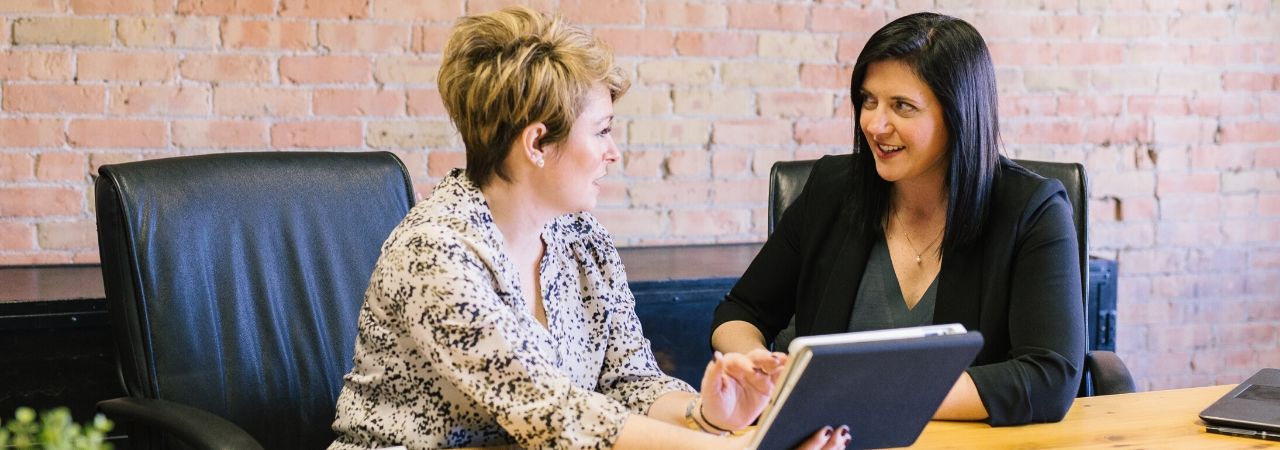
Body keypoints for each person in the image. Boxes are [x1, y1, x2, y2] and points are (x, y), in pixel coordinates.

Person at [329, 7, 848, 450]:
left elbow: (630, 382)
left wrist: (710, 416)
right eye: (601, 131)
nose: (613, 152)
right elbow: (552, 412)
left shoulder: (582, 240)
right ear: (536, 143)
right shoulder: (435, 251)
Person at [711, 12, 1086, 427]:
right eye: (868, 101)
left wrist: (862, 394)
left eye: (902, 106)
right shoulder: (832, 189)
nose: (874, 124)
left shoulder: (1033, 210)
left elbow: (1049, 375)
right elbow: (740, 311)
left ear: (958, 114)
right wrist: (753, 365)